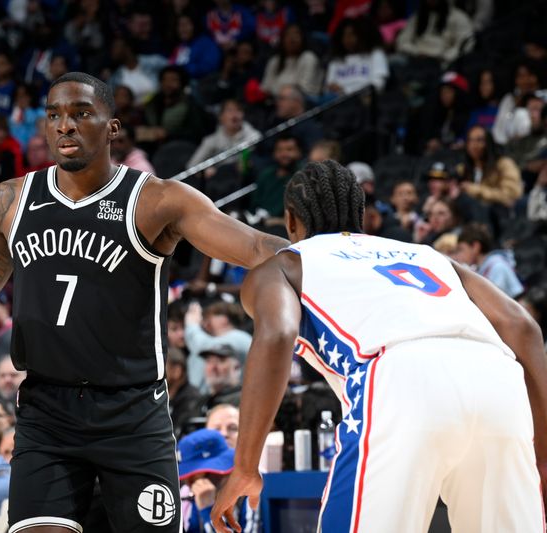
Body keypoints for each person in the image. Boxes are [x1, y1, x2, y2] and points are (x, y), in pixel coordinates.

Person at [0, 71, 286, 532]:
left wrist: (333, 255)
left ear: (112, 127)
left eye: (81, 113)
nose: (64, 125)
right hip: (46, 413)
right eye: (54, 115)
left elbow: (255, 247)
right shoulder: (11, 202)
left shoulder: (156, 200)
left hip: (133, 413)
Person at [211, 160, 546, 533]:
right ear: (362, 215)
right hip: (497, 378)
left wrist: (244, 466)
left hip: (401, 379)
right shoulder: (427, 255)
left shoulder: (285, 264)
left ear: (290, 221)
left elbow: (276, 335)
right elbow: (523, 327)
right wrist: (544, 455)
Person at [178, 429, 256, 533]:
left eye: (192, 474)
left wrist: (208, 511)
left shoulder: (249, 491)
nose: (188, 482)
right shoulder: (198, 495)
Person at [454, 222, 524, 298]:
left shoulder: (497, 266)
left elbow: (494, 299)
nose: (458, 256)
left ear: (475, 247)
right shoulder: (479, 269)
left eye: (461, 249)